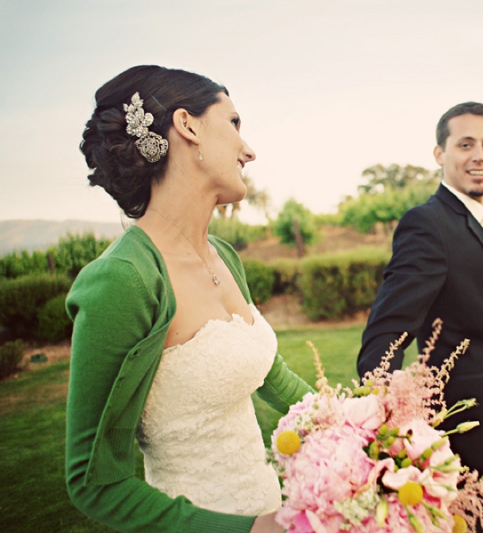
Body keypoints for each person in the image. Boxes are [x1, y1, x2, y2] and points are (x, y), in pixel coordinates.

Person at [65, 65, 313, 533]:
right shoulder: (122, 281)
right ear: (188, 126)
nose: (249, 150)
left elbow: (272, 376)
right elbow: (95, 481)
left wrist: (362, 427)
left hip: (271, 503)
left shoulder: (222, 255)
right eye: (234, 124)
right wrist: (250, 530)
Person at [357, 102, 483, 532]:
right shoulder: (427, 225)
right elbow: (387, 332)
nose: (480, 155)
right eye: (465, 144)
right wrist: (388, 425)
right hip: (471, 439)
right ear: (439, 154)